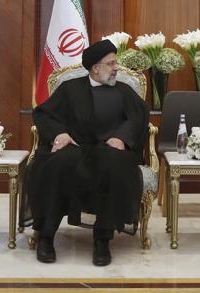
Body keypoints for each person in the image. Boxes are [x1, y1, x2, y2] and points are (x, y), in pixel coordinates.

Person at [26, 39, 149, 266]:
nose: (116, 68)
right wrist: (60, 134)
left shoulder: (124, 91)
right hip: (75, 147)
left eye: (115, 63)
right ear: (95, 68)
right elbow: (44, 114)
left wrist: (122, 137)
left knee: (114, 165)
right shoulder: (70, 89)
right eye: (111, 64)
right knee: (57, 165)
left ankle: (102, 239)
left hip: (108, 150)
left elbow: (139, 117)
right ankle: (46, 237)